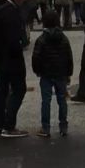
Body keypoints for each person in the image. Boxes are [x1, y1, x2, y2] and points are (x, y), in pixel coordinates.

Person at [0, 0, 32, 138]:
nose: (23, 0)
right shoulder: (10, 11)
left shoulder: (0, 8)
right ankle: (9, 126)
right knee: (19, 89)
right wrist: (21, 43)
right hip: (11, 57)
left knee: (1, 91)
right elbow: (13, 38)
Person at [32, 10, 73, 138]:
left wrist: (37, 70)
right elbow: (68, 57)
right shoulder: (63, 38)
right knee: (62, 100)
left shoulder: (41, 39)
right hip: (60, 73)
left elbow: (36, 57)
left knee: (46, 100)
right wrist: (68, 73)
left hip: (46, 73)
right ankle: (63, 126)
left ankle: (46, 127)